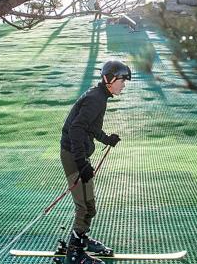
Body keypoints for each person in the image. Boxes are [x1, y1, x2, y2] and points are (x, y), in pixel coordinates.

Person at [60, 60, 131, 264]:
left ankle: (81, 239)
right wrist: (81, 162)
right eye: (122, 80)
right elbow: (76, 129)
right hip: (73, 155)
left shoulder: (100, 96)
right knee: (83, 206)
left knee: (90, 205)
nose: (123, 85)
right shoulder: (96, 99)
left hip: (78, 154)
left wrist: (106, 139)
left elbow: (89, 127)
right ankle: (74, 254)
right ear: (109, 80)